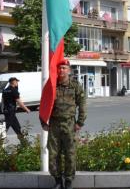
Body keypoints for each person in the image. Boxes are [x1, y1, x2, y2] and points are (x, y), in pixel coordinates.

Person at [41, 59, 86, 189]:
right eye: (60, 68)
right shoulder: (52, 85)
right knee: (53, 154)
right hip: (54, 124)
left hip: (69, 124)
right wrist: (44, 121)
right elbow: (44, 103)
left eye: (64, 68)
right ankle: (57, 180)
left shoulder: (75, 86)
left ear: (69, 70)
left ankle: (68, 180)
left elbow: (82, 104)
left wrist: (80, 122)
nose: (61, 70)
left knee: (70, 153)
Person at [2, 77, 31, 142]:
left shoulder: (5, 90)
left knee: (17, 127)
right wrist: (26, 109)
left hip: (7, 111)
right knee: (5, 128)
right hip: (11, 111)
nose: (17, 83)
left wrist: (3, 109)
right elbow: (19, 101)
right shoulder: (14, 90)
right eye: (17, 82)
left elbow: (3, 101)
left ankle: (23, 143)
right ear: (14, 82)